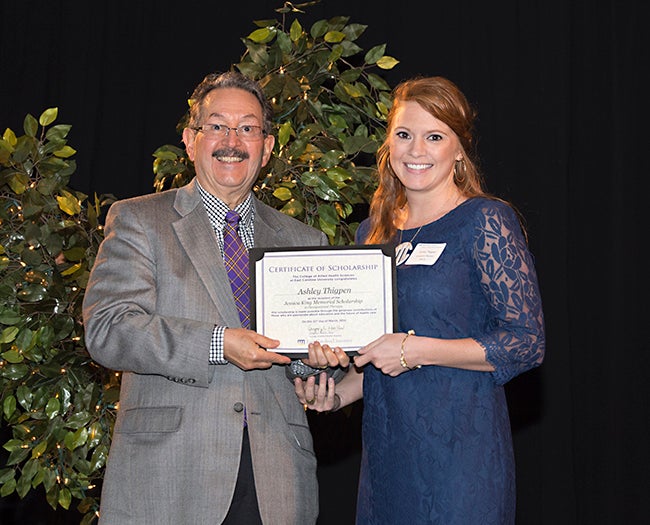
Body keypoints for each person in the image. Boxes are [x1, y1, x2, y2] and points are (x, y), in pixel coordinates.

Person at [82, 71, 349, 525]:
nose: (232, 140)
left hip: (277, 480)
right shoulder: (139, 220)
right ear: (190, 140)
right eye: (217, 126)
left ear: (266, 148)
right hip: (169, 475)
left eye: (248, 128)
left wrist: (317, 366)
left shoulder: (303, 240)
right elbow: (109, 328)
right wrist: (218, 344)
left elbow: (300, 355)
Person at [295, 76, 546, 524]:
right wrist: (335, 397)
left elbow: (526, 342)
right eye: (404, 135)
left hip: (460, 458)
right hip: (388, 458)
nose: (416, 150)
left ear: (459, 150)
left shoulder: (485, 221)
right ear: (388, 143)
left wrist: (415, 350)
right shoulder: (371, 232)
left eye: (434, 137)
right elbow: (374, 361)